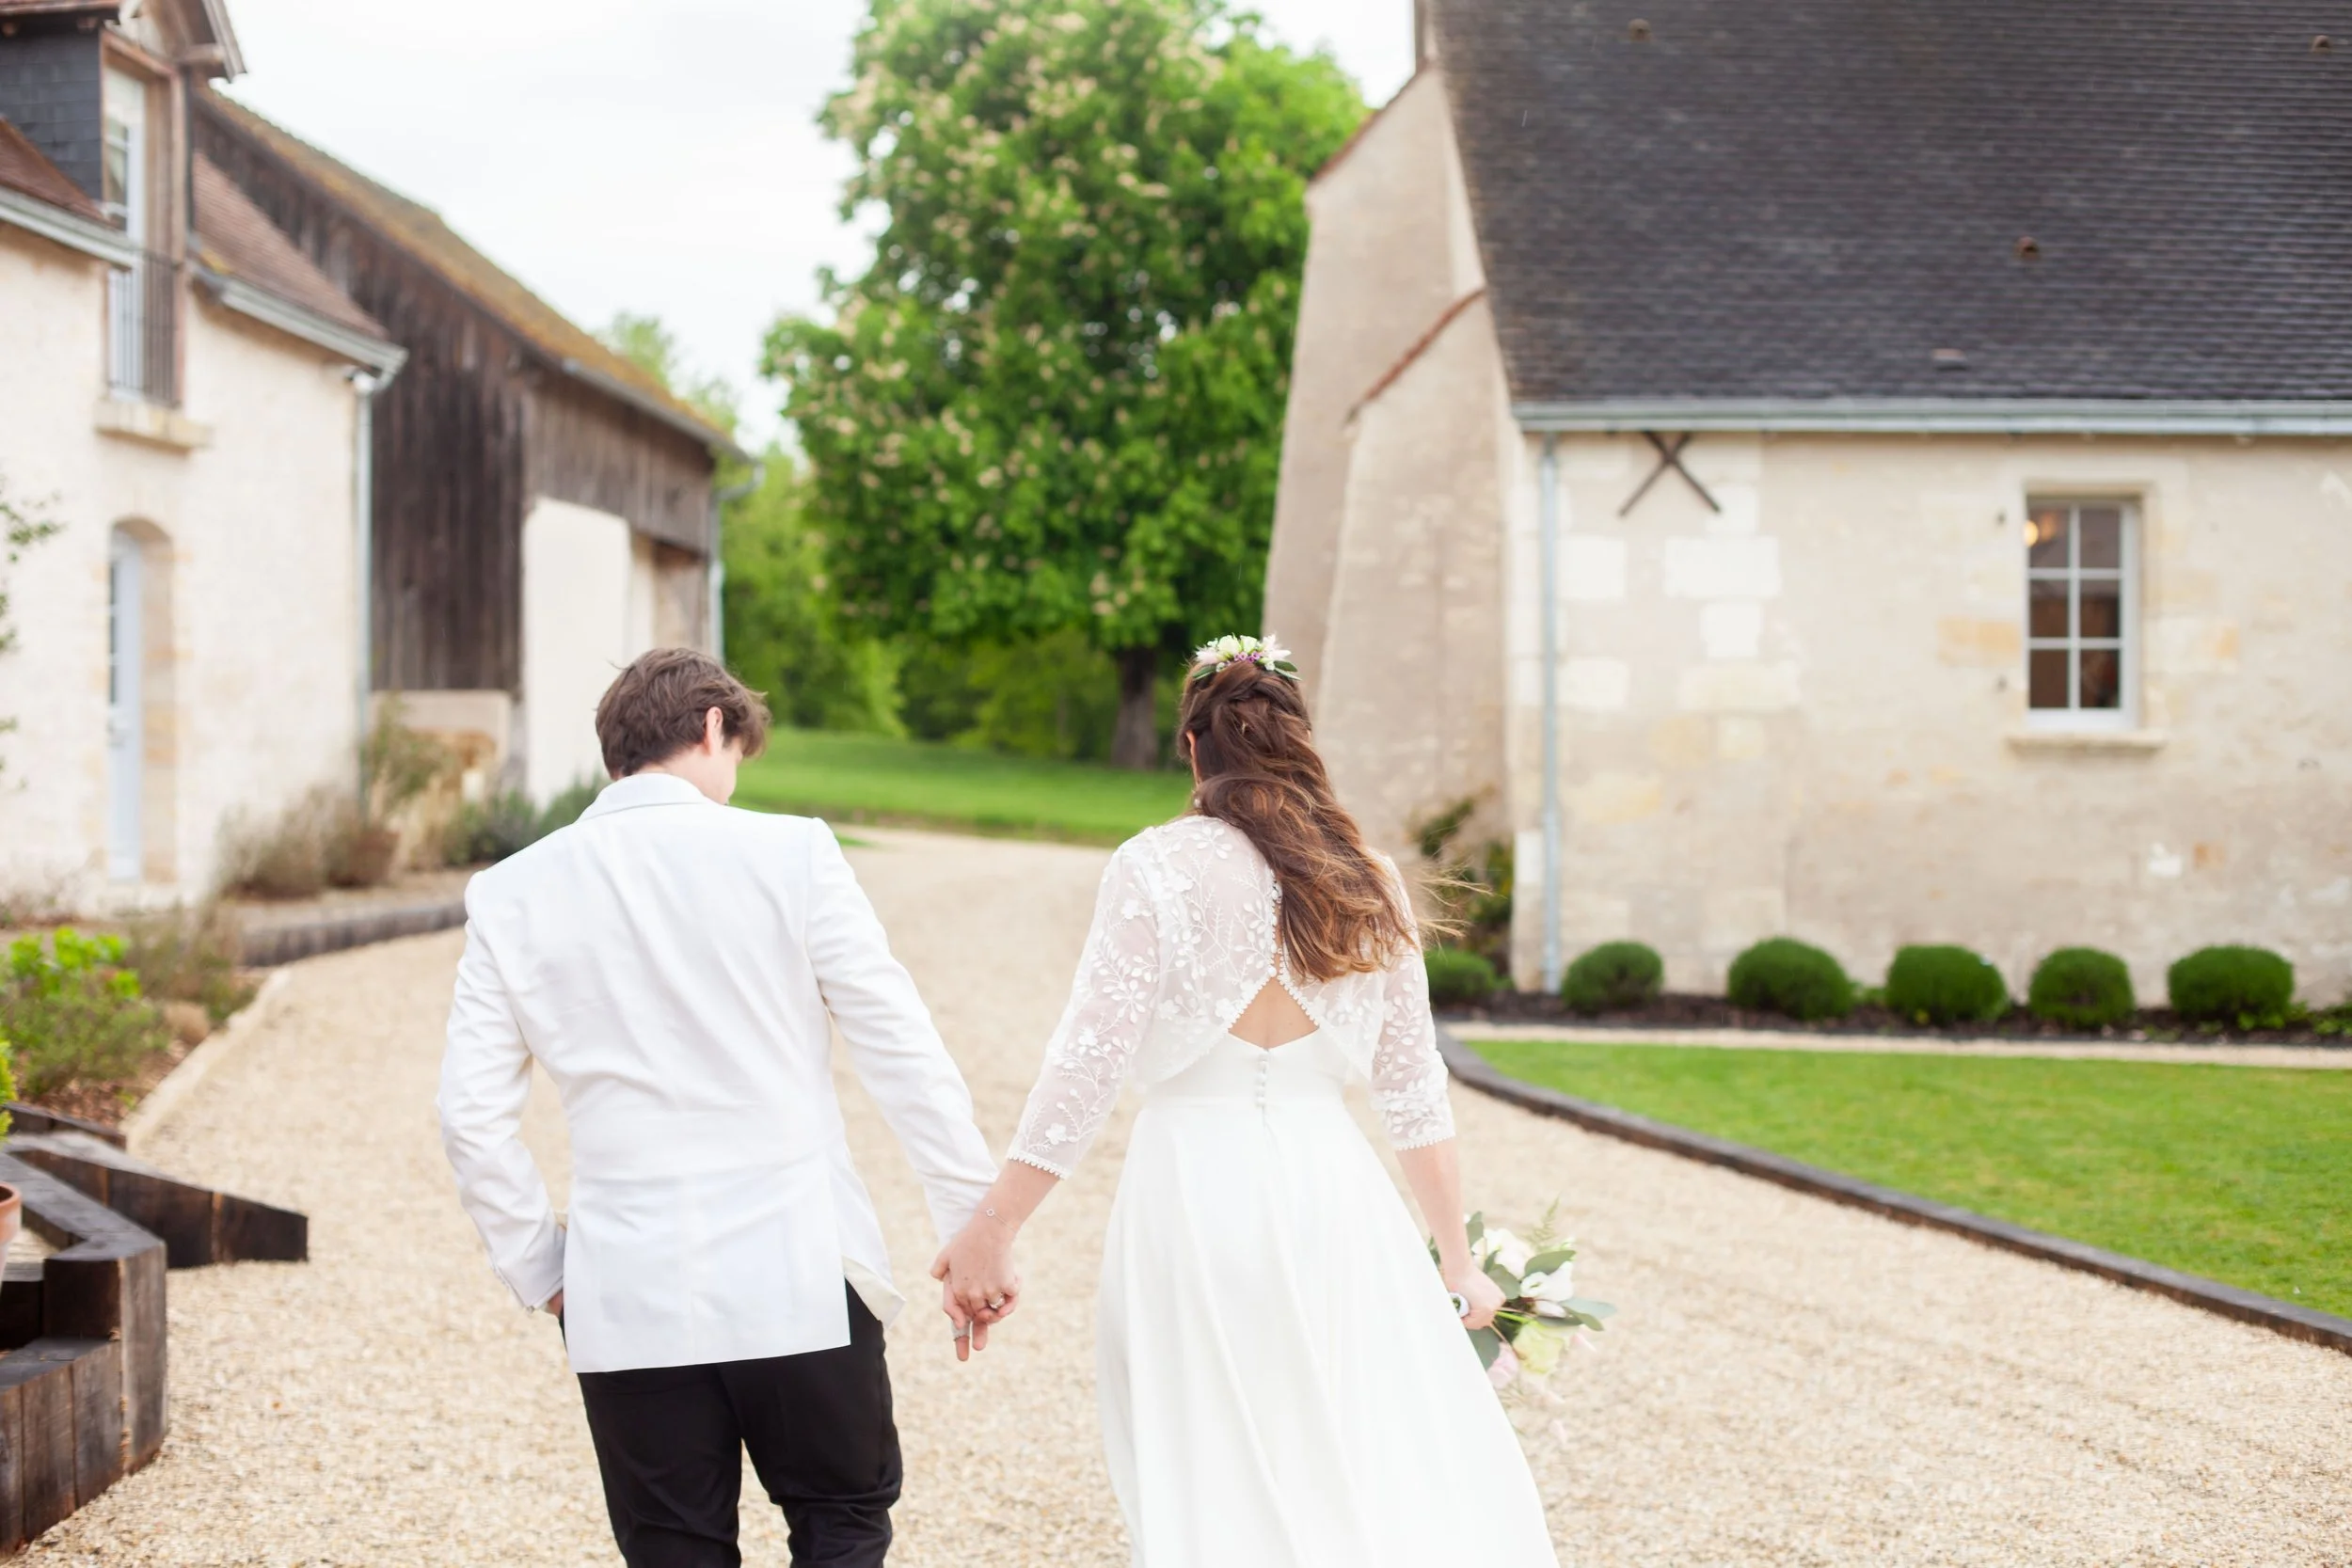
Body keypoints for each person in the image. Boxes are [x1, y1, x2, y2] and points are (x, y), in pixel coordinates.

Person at [930, 636, 1560, 1565]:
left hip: (1191, 1194)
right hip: (1333, 1199)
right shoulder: (1369, 877)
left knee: (1204, 1465)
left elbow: (1085, 1069)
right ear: (1299, 742)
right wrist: (1456, 1262)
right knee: (1344, 1455)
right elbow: (1413, 1091)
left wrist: (993, 1225)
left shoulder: (1153, 866)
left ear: (1192, 747)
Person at [437, 648, 1001, 1568]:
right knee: (842, 1522)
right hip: (800, 1267)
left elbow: (469, 1114)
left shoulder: (511, 891)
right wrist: (970, 1220)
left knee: (674, 1551)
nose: (735, 780)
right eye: (737, 753)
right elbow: (898, 1042)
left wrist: (543, 1264)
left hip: (627, 1285)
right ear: (710, 726)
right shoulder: (793, 852)